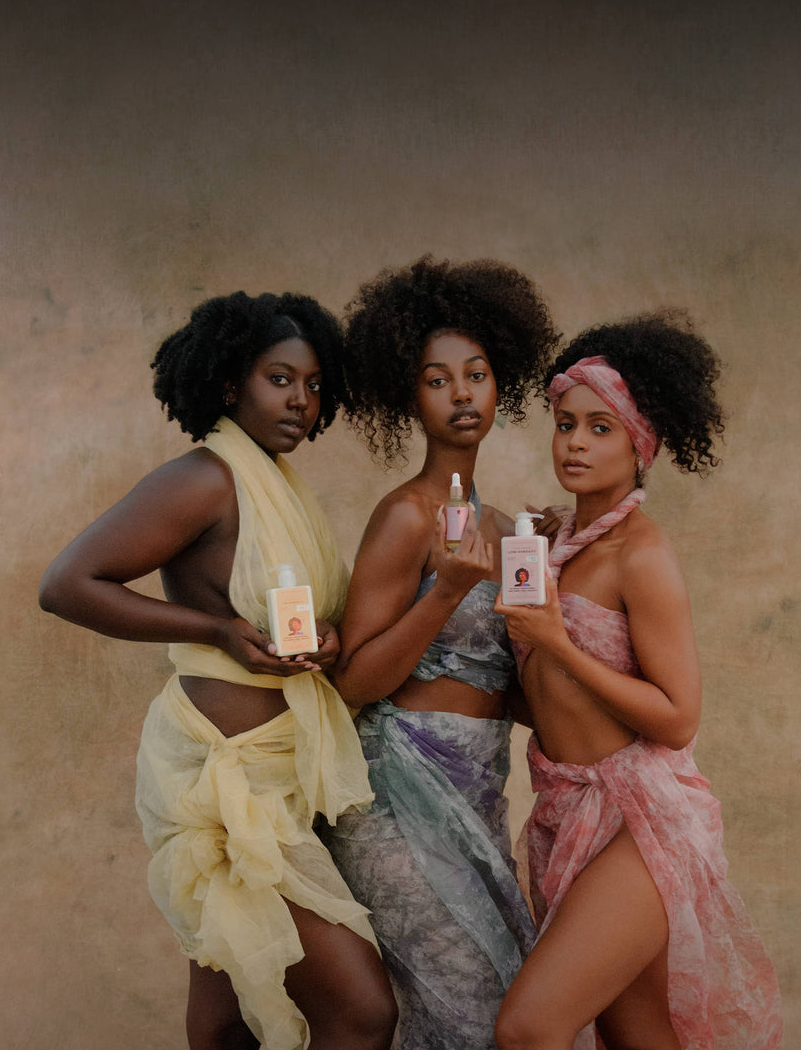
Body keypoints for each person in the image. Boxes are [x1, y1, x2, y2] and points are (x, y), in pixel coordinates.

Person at [39, 291, 397, 1050]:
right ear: (231, 384)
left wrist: (324, 638)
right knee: (361, 1010)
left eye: (313, 384)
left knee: (228, 1010)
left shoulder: (278, 484)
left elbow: (281, 613)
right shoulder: (206, 477)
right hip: (220, 780)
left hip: (277, 776)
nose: (301, 399)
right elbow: (68, 583)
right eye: (279, 378)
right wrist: (216, 631)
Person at [493, 312, 782, 1050]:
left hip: (643, 818)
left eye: (600, 428)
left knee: (530, 1026)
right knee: (638, 1035)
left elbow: (678, 716)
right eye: (565, 424)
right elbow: (550, 702)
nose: (576, 443)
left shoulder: (641, 552)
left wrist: (557, 639)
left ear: (638, 443)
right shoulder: (551, 545)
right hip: (569, 811)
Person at [319, 257, 561, 1050]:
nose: (461, 394)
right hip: (396, 798)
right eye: (436, 379)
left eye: (477, 374)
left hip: (480, 797)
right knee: (465, 1012)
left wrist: (545, 578)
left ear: (502, 385)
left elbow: (508, 689)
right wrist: (446, 589)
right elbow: (354, 680)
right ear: (409, 396)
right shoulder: (404, 515)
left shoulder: (497, 525)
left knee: (493, 1008)